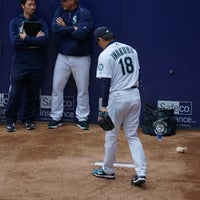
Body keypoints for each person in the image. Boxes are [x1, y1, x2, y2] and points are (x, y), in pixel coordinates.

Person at [92, 27, 147, 186]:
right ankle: (141, 173)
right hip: (135, 95)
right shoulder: (131, 49)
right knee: (132, 135)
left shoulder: (105, 55)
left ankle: (108, 170)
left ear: (100, 40)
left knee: (111, 135)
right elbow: (139, 73)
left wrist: (103, 108)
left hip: (117, 98)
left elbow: (106, 82)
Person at [48, 0, 93, 130]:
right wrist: (72, 27)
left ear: (73, 1)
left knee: (83, 89)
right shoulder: (59, 11)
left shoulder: (84, 13)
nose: (61, 2)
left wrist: (65, 26)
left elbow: (81, 34)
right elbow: (55, 29)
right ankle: (56, 117)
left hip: (81, 57)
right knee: (57, 87)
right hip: (63, 56)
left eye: (64, 0)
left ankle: (82, 118)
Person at [5, 0, 48, 132]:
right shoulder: (15, 22)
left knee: (33, 95)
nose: (32, 7)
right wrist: (35, 40)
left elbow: (44, 41)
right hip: (19, 65)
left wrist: (26, 38)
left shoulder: (41, 23)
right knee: (15, 94)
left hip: (36, 65)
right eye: (29, 4)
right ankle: (10, 121)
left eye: (34, 5)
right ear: (23, 6)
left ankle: (28, 120)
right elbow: (15, 42)